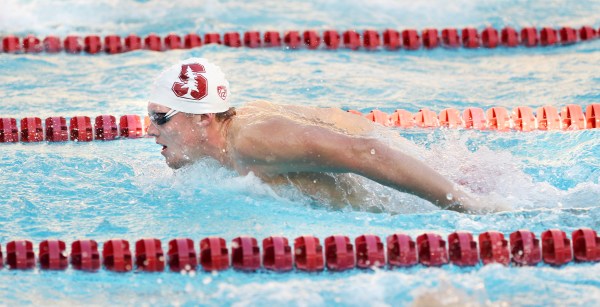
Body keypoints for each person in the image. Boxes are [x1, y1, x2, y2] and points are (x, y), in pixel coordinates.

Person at [147, 57, 493, 213]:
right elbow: (331, 119)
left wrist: (462, 202)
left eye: (160, 118)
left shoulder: (254, 140)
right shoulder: (223, 141)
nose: (150, 130)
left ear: (204, 117)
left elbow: (362, 151)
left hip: (409, 205)